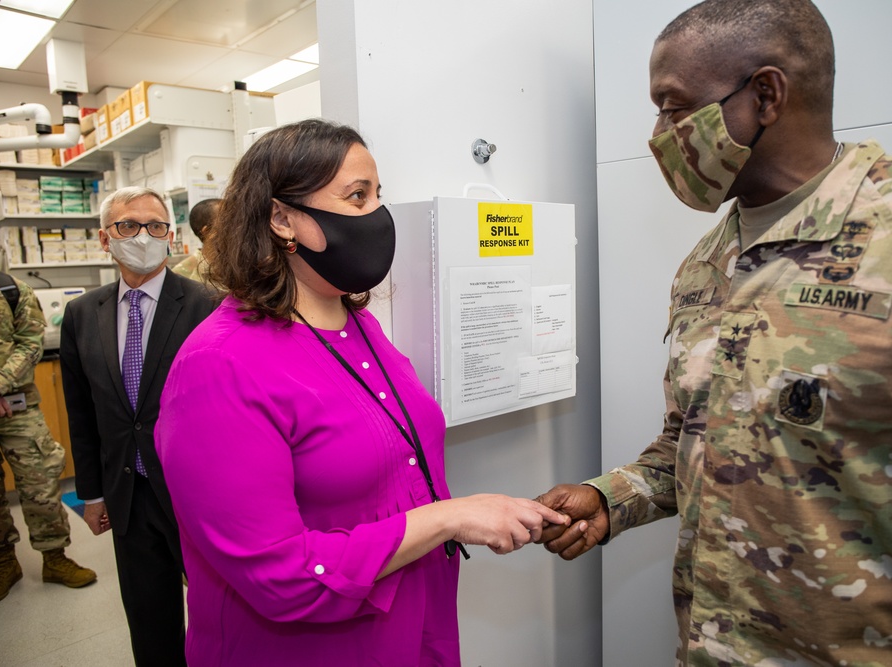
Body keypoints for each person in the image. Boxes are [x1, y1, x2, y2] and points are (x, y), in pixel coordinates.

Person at [536, 0, 892, 664]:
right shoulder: (706, 262)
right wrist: (613, 497)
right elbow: (693, 442)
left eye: (673, 107)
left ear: (766, 95)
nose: (659, 133)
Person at [153, 118, 569, 667]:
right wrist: (449, 518)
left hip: (409, 631)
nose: (377, 216)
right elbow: (281, 575)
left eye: (378, 195)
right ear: (282, 218)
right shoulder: (218, 366)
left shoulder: (358, 326)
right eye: (357, 196)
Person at [59, 186, 215, 666]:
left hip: (197, 494)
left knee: (219, 615)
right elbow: (81, 413)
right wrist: (92, 493)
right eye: (129, 226)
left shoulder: (207, 306)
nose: (143, 236)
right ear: (106, 239)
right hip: (129, 493)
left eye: (156, 226)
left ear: (171, 235)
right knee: (150, 623)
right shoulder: (83, 313)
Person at [0, 270, 96, 601]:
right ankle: (3, 562)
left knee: (40, 482)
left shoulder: (9, 289)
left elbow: (30, 342)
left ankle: (55, 558)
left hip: (17, 406)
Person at [171, 197, 220, 283]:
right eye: (229, 222)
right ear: (208, 232)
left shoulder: (243, 268)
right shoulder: (181, 276)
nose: (239, 228)